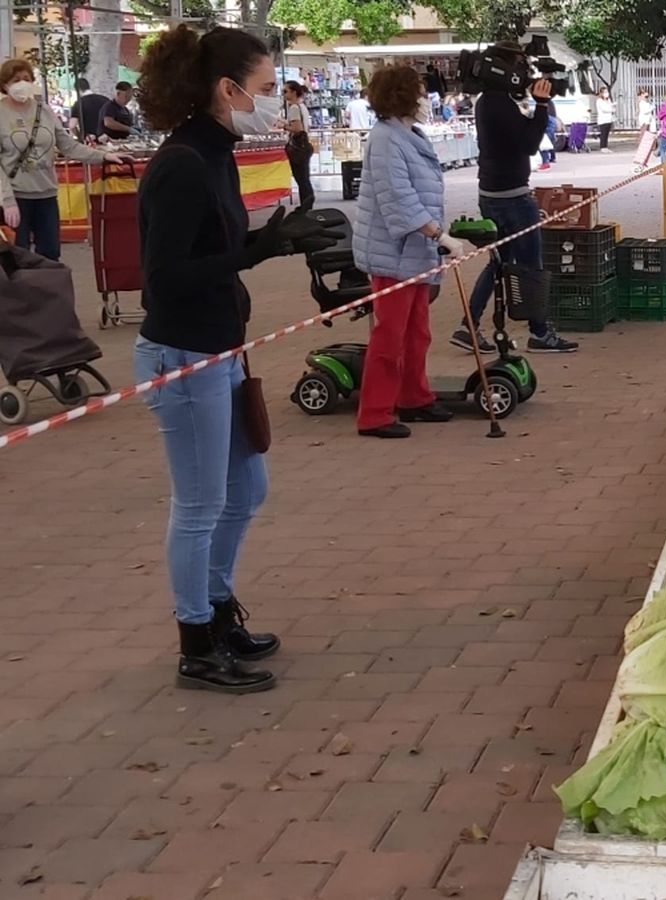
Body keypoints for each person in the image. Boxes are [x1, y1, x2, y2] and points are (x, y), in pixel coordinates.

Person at [133, 25, 334, 693]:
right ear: (228, 89)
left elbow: (209, 244)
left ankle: (219, 612)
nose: (276, 101)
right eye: (268, 88)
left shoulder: (214, 154)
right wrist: (260, 251)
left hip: (219, 346)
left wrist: (268, 238)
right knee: (199, 504)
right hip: (183, 354)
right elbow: (165, 279)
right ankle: (196, 640)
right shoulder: (183, 163)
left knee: (246, 489)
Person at [351, 64, 462, 439]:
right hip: (393, 251)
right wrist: (441, 237)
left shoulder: (407, 134)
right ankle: (375, 414)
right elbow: (399, 198)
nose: (424, 98)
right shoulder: (384, 139)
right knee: (389, 336)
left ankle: (414, 396)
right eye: (418, 91)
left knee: (417, 332)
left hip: (412, 250)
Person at [462, 43, 577, 355]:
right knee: (530, 266)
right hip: (512, 198)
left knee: (498, 264)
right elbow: (528, 144)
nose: (523, 74)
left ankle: (468, 324)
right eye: (519, 68)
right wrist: (541, 106)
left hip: (492, 193)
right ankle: (539, 332)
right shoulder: (497, 104)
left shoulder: (489, 101)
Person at [0, 60, 126, 260]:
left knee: (50, 254)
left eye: (26, 79)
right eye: (16, 80)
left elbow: (67, 145)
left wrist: (103, 156)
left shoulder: (45, 111)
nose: (22, 83)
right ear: (5, 85)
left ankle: (48, 291)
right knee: (17, 257)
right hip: (15, 195)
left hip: (46, 194)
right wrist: (7, 200)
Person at [282, 81, 314, 212]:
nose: (283, 94)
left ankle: (306, 205)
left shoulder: (294, 108)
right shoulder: (302, 107)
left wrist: (284, 126)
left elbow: (296, 128)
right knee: (304, 177)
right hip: (304, 144)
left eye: (286, 91)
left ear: (294, 92)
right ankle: (307, 203)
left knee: (301, 178)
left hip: (298, 146)